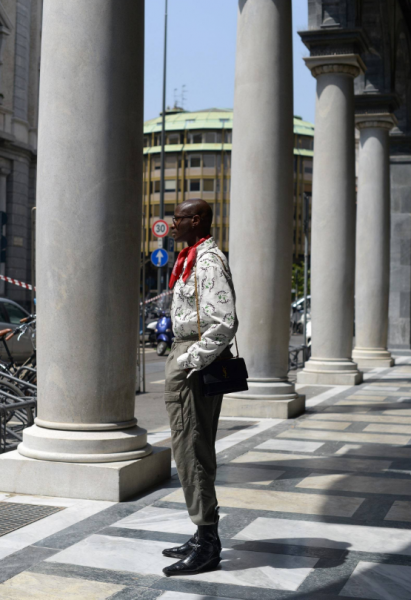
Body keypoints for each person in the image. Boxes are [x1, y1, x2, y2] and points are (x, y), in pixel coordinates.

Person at [162, 198, 238, 577]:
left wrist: (189, 360)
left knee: (192, 447)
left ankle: (207, 541)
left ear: (196, 220)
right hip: (187, 354)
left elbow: (224, 322)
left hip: (192, 360)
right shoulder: (193, 257)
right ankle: (201, 530)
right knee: (189, 445)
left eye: (177, 218)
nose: (171, 224)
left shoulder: (207, 261)